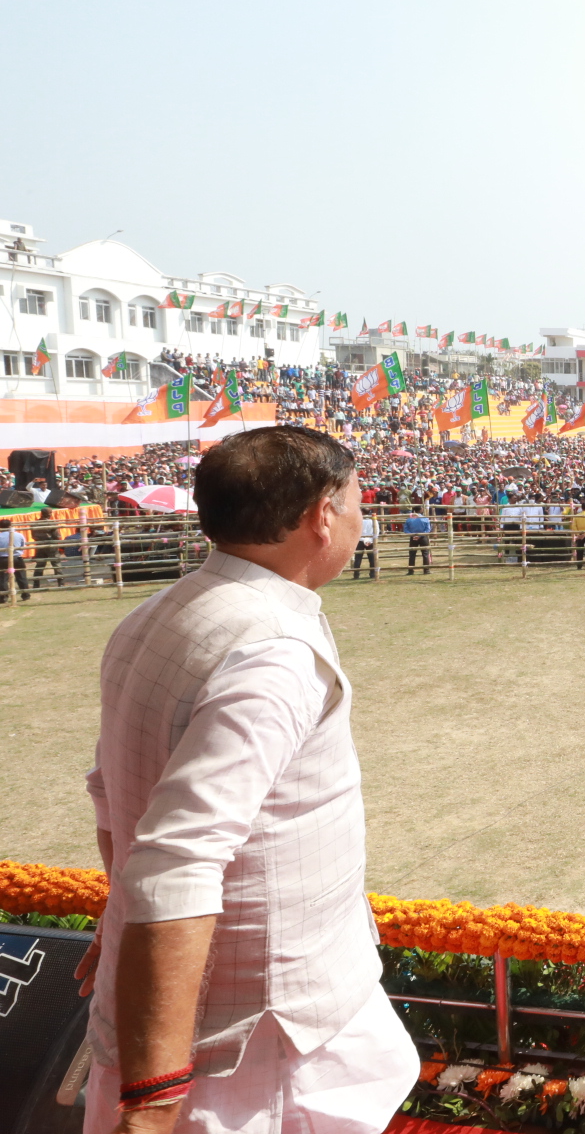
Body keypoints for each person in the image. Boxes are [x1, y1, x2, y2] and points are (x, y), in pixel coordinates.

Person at [77, 425, 414, 1134]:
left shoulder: (153, 615)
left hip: (208, 1013)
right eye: (357, 501)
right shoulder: (270, 654)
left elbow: (112, 796)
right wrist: (155, 1103)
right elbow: (177, 863)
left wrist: (120, 930)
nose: (362, 519)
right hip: (254, 1048)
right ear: (322, 515)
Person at [401, 508, 432, 575]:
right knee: (425, 554)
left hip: (413, 538)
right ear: (421, 510)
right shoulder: (425, 518)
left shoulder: (409, 519)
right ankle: (426, 570)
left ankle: (411, 571)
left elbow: (406, 529)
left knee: (412, 554)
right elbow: (428, 529)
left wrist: (413, 535)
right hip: (423, 537)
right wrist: (420, 535)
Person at [351, 509, 379, 580]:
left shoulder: (359, 520)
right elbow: (377, 531)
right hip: (370, 540)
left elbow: (355, 531)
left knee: (358, 558)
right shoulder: (373, 520)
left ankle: (356, 574)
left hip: (360, 540)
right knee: (372, 558)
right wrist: (371, 540)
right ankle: (372, 574)